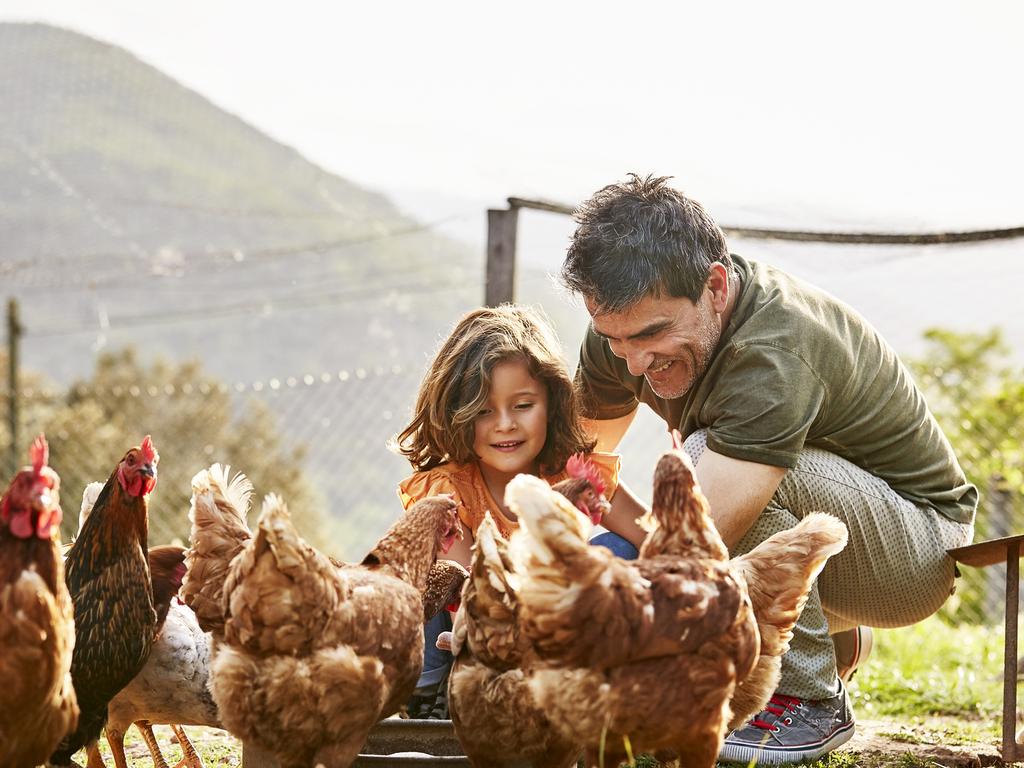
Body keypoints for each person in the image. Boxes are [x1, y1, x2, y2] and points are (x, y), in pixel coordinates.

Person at [561, 174, 977, 765]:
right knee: (681, 490)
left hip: (915, 551)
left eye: (653, 334)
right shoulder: (621, 334)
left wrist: (590, 625)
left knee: (697, 469)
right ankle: (824, 634)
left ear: (715, 285)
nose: (633, 360)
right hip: (833, 543)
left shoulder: (774, 350)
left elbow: (699, 545)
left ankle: (808, 697)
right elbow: (582, 467)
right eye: (615, 339)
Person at [392, 303, 648, 718]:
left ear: (553, 402)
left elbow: (650, 536)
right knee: (427, 570)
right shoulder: (445, 488)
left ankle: (592, 685)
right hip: (468, 631)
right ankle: (428, 696)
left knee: (619, 548)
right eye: (482, 411)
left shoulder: (572, 468)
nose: (505, 424)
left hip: (551, 631)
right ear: (455, 415)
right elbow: (479, 584)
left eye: (523, 405)